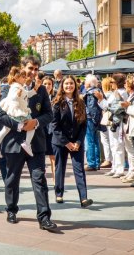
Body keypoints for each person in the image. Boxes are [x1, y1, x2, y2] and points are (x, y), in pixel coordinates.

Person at [0, 56, 57, 231]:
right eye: (30, 68)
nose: (33, 72)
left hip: (35, 143)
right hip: (14, 142)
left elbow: (49, 114)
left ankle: (44, 217)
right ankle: (11, 210)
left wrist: (36, 123)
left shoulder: (41, 91)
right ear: (22, 69)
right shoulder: (8, 88)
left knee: (39, 179)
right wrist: (19, 125)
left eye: (36, 69)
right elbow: (0, 116)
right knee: (12, 178)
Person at [51, 75, 93, 208]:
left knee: (79, 168)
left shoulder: (80, 102)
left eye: (71, 84)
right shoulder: (57, 102)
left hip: (76, 142)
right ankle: (59, 193)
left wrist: (78, 142)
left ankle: (83, 198)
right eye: (66, 84)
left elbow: (83, 124)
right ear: (62, 86)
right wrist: (66, 143)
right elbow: (54, 126)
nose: (69, 86)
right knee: (60, 167)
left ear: (75, 86)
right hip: (60, 141)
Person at [0, 67, 40, 158]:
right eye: (23, 77)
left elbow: (28, 94)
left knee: (6, 129)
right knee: (32, 126)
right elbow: (11, 98)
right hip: (18, 112)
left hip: (16, 111)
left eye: (25, 76)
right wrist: (17, 95)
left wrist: (35, 88)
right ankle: (27, 143)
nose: (25, 78)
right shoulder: (16, 87)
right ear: (17, 78)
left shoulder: (19, 86)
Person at [94, 73, 128, 178]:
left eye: (112, 82)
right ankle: (114, 167)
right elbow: (106, 106)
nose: (111, 84)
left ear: (117, 82)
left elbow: (117, 108)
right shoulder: (114, 93)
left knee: (118, 145)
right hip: (113, 121)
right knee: (113, 145)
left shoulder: (122, 93)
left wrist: (103, 101)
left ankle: (119, 169)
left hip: (119, 121)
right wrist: (101, 100)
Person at [83, 74, 102, 171]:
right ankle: (97, 162)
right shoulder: (97, 91)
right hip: (95, 119)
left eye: (85, 81)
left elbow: (91, 108)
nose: (84, 83)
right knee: (95, 141)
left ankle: (91, 163)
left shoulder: (90, 93)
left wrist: (93, 119)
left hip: (90, 118)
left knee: (90, 141)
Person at [42, 76, 56, 183]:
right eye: (45, 84)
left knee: (53, 157)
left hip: (53, 129)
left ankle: (56, 181)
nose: (47, 86)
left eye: (49, 84)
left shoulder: (56, 97)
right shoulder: (38, 96)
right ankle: (42, 181)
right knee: (41, 157)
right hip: (41, 130)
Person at [99, 77, 113, 169]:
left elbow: (105, 107)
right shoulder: (113, 94)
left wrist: (100, 99)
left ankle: (108, 159)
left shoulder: (107, 95)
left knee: (106, 140)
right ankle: (110, 159)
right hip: (111, 120)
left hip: (107, 120)